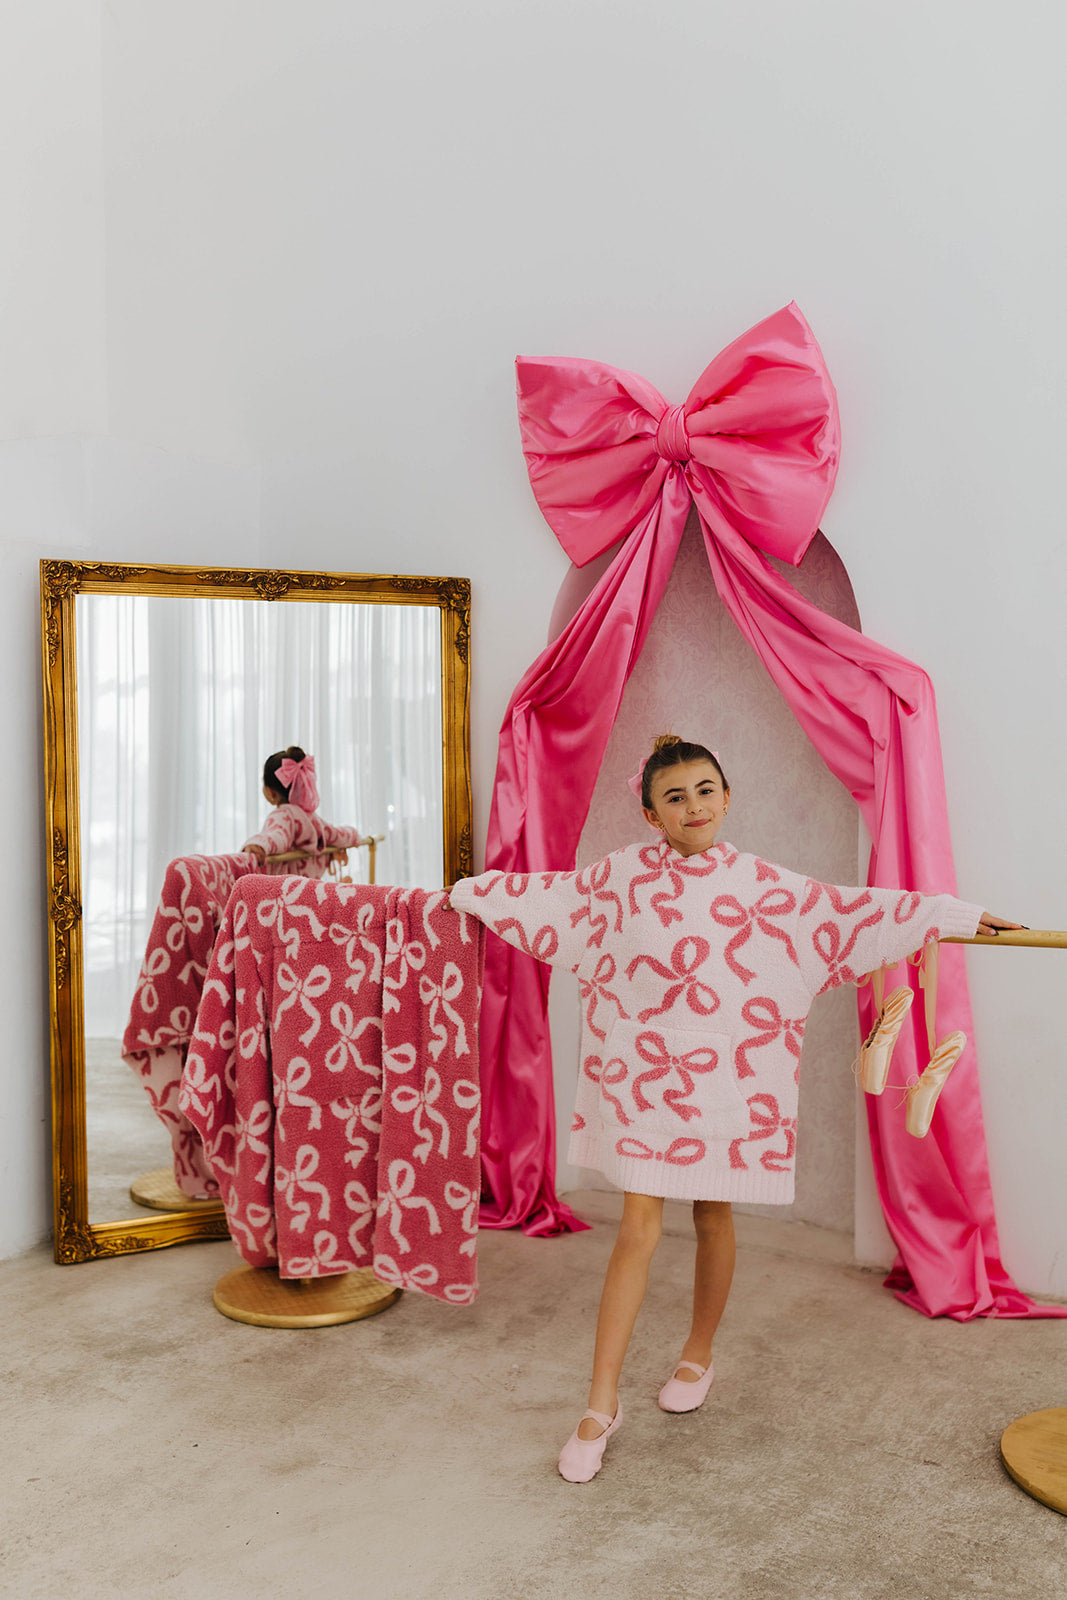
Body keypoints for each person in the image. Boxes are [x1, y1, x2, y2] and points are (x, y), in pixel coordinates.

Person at [449, 734, 1022, 1483]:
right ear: (650, 813)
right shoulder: (618, 881)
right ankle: (599, 1403)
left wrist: (952, 914)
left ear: (727, 795)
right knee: (636, 1228)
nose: (694, 806)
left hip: (728, 1081)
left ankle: (697, 1355)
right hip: (646, 1079)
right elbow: (546, 897)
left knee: (714, 1216)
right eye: (675, 796)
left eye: (706, 789)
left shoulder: (762, 888)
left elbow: (847, 914)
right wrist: (464, 893)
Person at [242, 746, 362, 878]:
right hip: (309, 893)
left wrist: (258, 844)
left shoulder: (282, 815)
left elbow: (277, 835)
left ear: (270, 792)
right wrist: (354, 834)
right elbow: (338, 835)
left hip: (285, 894)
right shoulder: (312, 819)